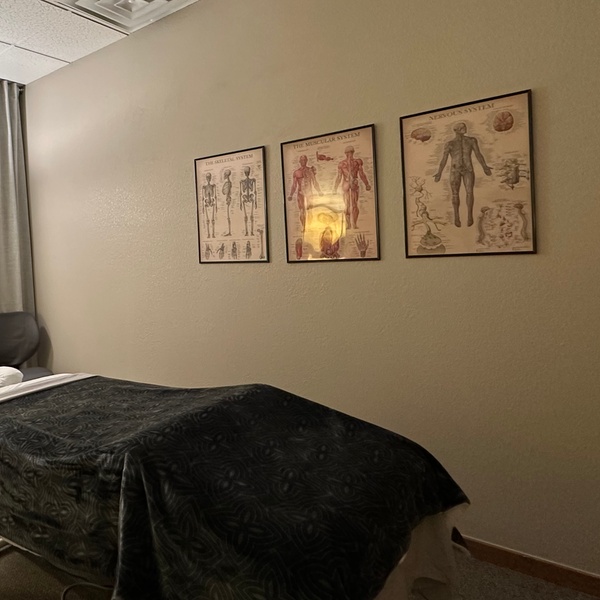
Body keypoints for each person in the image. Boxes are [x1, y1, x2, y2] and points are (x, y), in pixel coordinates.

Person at [434, 122, 492, 227]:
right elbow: (444, 159)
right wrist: (439, 172)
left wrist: (485, 167)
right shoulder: (450, 144)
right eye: (461, 128)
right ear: (456, 130)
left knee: (469, 192)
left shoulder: (471, 140)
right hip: (455, 170)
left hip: (468, 169)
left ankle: (470, 216)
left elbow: (478, 154)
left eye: (464, 127)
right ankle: (456, 217)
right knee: (455, 194)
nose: (464, 128)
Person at [333, 146, 371, 230]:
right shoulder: (342, 164)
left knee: (353, 204)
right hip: (347, 184)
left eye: (350, 153)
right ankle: (349, 224)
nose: (349, 154)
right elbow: (339, 177)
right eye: (348, 153)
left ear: (352, 153)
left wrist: (367, 184)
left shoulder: (357, 162)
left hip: (353, 184)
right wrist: (335, 188)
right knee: (347, 205)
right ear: (346, 154)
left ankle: (353, 224)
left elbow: (361, 174)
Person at [288, 155, 323, 233]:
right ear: (299, 162)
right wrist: (291, 195)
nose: (303, 162)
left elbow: (314, 182)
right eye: (302, 160)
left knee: (310, 210)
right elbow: (294, 185)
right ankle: (304, 226)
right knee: (302, 210)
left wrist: (319, 191)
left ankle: (310, 226)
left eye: (304, 160)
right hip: (300, 193)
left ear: (306, 161)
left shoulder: (310, 170)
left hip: (309, 193)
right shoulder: (296, 172)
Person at [239, 166, 257, 236]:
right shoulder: (242, 182)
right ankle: (247, 232)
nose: (247, 173)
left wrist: (256, 202)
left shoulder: (252, 180)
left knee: (251, 216)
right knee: (246, 216)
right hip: (245, 198)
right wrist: (240, 203)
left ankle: (251, 232)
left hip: (251, 197)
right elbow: (241, 192)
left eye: (248, 172)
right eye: (246, 172)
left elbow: (255, 191)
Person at [202, 173, 217, 238]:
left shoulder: (212, 186)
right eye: (207, 178)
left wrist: (216, 206)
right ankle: (208, 234)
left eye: (209, 177)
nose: (208, 179)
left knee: (212, 220)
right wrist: (203, 207)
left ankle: (213, 234)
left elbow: (215, 196)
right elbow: (203, 198)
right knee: (207, 220)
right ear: (206, 178)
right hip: (206, 203)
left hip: (212, 203)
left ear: (210, 178)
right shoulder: (204, 187)